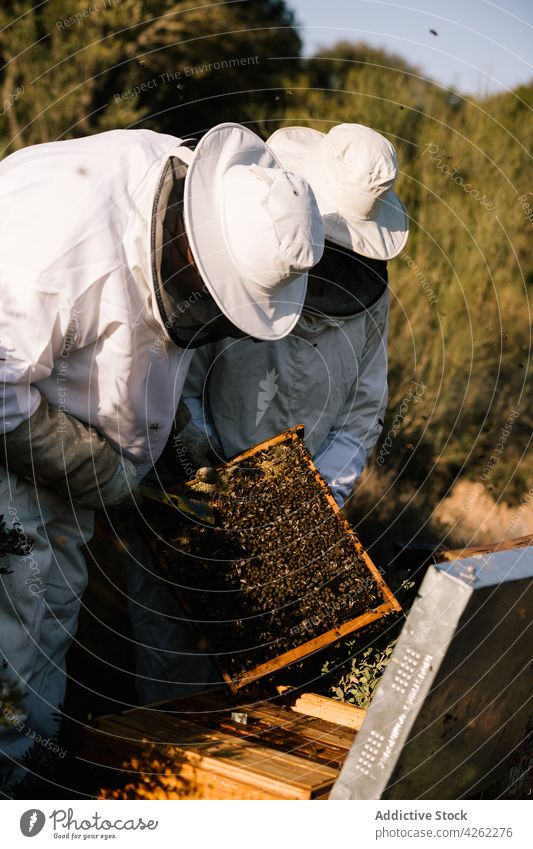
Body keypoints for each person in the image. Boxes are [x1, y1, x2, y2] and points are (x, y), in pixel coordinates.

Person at [0, 122, 324, 792]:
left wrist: (174, 435)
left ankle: (29, 774)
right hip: (12, 442)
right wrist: (94, 465)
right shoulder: (54, 256)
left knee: (50, 617)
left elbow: (140, 349)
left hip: (55, 422)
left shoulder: (205, 193)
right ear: (194, 249)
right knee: (18, 637)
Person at [129, 123, 409, 704]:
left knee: (272, 685)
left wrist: (321, 489)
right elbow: (178, 365)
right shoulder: (243, 246)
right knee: (173, 675)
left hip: (297, 505)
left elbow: (366, 403)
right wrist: (199, 453)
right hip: (192, 493)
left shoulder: (367, 298)